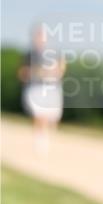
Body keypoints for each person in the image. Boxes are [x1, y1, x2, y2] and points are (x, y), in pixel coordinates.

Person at [19, 24, 66, 155]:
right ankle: (41, 143)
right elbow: (22, 74)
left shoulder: (54, 53)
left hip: (52, 89)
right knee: (40, 116)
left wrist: (53, 72)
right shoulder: (29, 54)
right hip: (35, 89)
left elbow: (61, 69)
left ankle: (47, 137)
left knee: (52, 118)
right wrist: (36, 72)